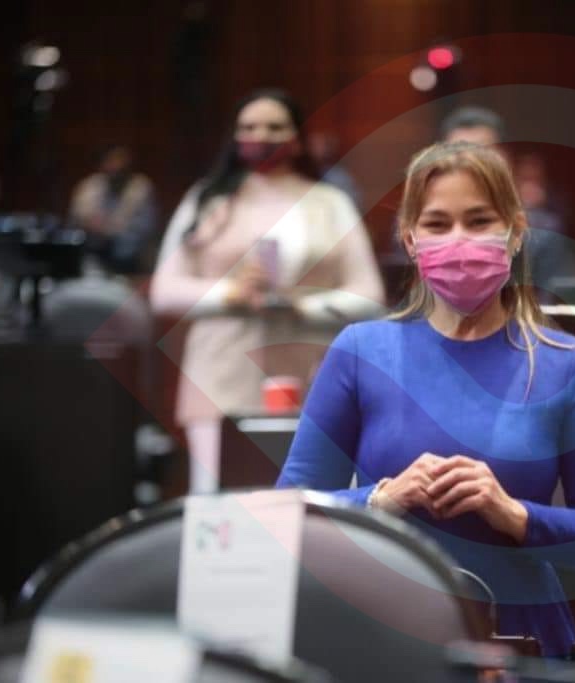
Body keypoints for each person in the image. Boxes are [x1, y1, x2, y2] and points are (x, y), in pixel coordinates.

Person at [276, 142, 575, 656]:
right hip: (385, 635)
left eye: (479, 220)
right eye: (438, 224)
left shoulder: (564, 362)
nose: (459, 239)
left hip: (518, 640)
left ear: (515, 233)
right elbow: (289, 513)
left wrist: (514, 515)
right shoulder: (361, 351)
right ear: (410, 239)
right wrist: (379, 502)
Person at [151, 88, 384, 494]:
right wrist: (231, 294)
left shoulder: (330, 203)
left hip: (310, 371)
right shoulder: (207, 201)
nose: (261, 136)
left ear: (297, 138)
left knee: (308, 500)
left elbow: (369, 295)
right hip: (221, 373)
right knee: (221, 506)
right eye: (249, 127)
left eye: (275, 127)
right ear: (234, 137)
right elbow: (164, 292)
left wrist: (303, 307)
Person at [438, 106, 575, 298]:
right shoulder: (420, 227)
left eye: (481, 153)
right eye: (457, 154)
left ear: (504, 157)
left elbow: (553, 306)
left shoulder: (544, 232)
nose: (469, 164)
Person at [67, 144, 158, 273]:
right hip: (92, 253)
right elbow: (76, 222)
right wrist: (91, 225)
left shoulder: (140, 188)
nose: (115, 167)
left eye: (120, 164)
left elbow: (146, 229)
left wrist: (108, 229)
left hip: (129, 257)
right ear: (102, 164)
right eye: (111, 162)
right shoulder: (89, 187)